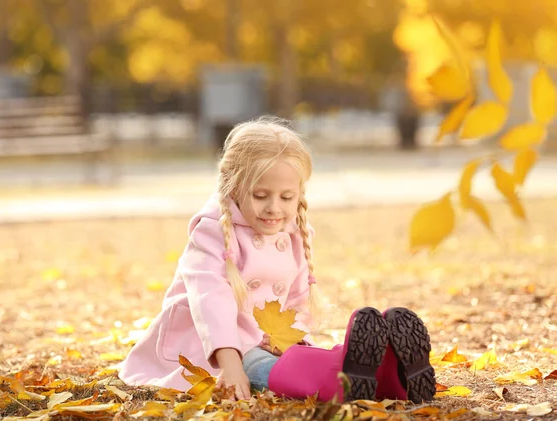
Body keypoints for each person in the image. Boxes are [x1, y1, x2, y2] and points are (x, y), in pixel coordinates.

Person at [118, 116, 436, 403]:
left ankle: (388, 375)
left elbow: (296, 300)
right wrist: (229, 364)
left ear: (299, 193)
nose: (274, 208)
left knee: (298, 356)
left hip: (266, 339)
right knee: (261, 367)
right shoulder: (212, 232)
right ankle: (342, 382)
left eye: (286, 197)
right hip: (212, 346)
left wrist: (291, 339)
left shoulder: (294, 231)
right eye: (260, 196)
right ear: (233, 188)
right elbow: (209, 300)